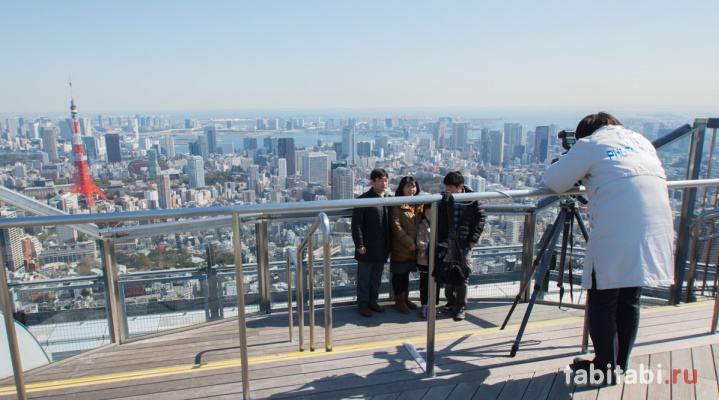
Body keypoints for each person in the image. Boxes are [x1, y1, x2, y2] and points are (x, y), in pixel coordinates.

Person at [542, 112, 674, 384]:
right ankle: (619, 364)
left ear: (585, 133)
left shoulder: (591, 143)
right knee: (629, 297)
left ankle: (604, 366)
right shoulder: (641, 141)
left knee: (602, 299)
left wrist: (573, 163)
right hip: (655, 225)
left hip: (617, 228)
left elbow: (554, 181)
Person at [440, 171, 486, 321]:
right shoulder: (445, 198)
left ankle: (460, 307)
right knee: (448, 273)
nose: (447, 190)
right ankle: (450, 302)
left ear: (460, 186)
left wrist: (473, 239)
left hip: (464, 242)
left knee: (462, 275)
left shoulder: (473, 198)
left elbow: (480, 218)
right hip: (449, 242)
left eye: (450, 187)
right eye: (446, 187)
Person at [352, 168, 392, 317]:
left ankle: (373, 302)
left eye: (386, 180)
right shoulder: (364, 199)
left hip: (382, 247)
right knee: (364, 278)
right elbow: (356, 225)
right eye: (380, 180)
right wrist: (359, 244)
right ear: (372, 181)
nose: (384, 183)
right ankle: (363, 305)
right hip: (366, 247)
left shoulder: (388, 199)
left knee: (376, 278)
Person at [389, 176, 422, 314]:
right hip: (401, 246)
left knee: (407, 273)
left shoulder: (420, 203)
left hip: (414, 247)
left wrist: (416, 243)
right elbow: (396, 226)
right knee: (399, 274)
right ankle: (399, 301)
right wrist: (409, 243)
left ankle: (406, 298)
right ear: (402, 188)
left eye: (413, 186)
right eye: (408, 186)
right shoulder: (397, 204)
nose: (411, 189)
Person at [416, 204, 441, 318]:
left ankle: (435, 304)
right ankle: (425, 304)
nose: (429, 216)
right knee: (424, 282)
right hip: (424, 258)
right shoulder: (422, 224)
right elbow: (419, 241)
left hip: (436, 258)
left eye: (431, 213)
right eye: (427, 213)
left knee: (436, 282)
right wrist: (430, 247)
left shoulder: (440, 225)